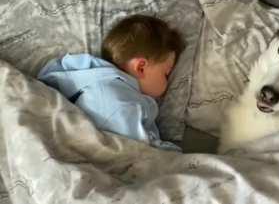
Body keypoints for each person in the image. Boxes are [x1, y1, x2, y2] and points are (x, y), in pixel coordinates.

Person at [37, 15, 184, 151]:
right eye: (166, 73)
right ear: (140, 68)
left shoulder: (101, 84)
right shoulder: (118, 101)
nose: (168, 82)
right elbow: (139, 151)